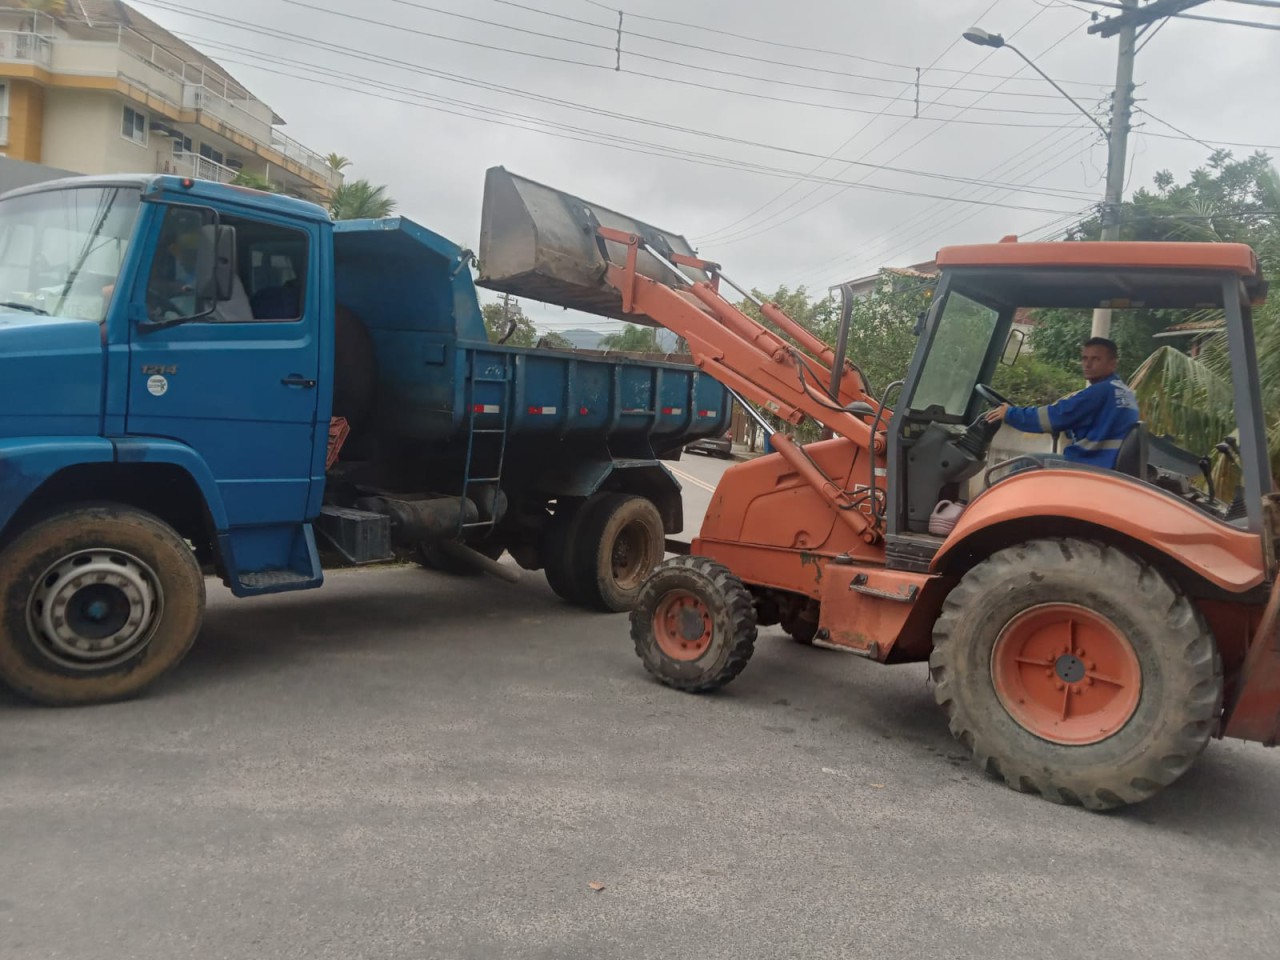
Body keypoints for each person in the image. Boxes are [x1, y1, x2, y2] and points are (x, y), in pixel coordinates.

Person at [984, 337, 1138, 469]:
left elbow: (1053, 417)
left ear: (1112, 364)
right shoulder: (1123, 392)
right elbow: (1099, 424)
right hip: (1104, 463)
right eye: (1085, 358)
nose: (1087, 364)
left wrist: (1009, 413)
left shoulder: (1099, 392)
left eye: (1096, 359)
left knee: (1025, 463)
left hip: (1090, 464)